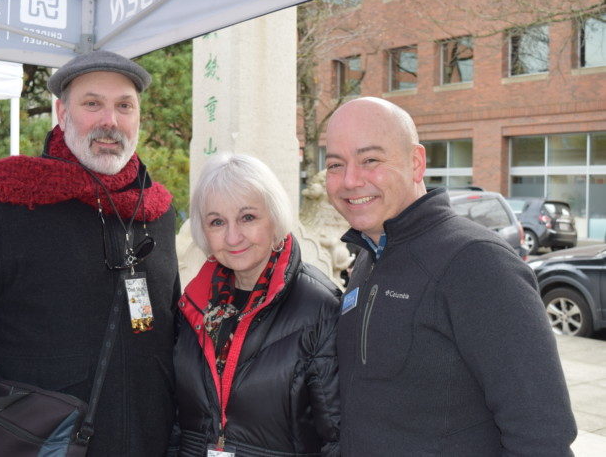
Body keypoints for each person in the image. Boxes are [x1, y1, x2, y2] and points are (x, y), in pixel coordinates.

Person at [0, 50, 180, 456]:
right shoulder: (1, 206)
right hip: (30, 445)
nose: (110, 121)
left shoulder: (157, 212)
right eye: (92, 104)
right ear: (62, 113)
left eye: (125, 106)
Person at [324, 97, 577, 456]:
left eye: (370, 160)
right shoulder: (370, 256)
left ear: (416, 163)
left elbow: (541, 436)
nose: (350, 180)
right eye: (336, 164)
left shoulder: (478, 262)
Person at [173, 153, 340, 456]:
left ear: (274, 217)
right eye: (217, 222)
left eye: (248, 217)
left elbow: (336, 435)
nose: (233, 236)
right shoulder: (193, 306)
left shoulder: (319, 308)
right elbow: (175, 422)